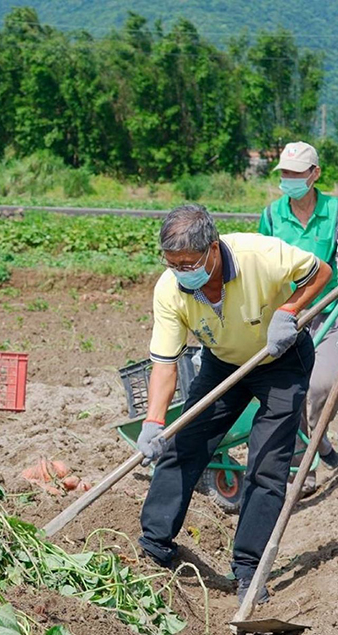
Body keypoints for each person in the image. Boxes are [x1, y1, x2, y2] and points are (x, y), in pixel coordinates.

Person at [137, 204, 331, 606]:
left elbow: (321, 273)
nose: (180, 270)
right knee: (182, 445)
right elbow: (165, 365)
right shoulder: (170, 289)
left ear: (212, 248)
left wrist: (288, 310)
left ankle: (249, 569)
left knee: (266, 465)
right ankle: (154, 545)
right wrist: (154, 422)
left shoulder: (261, 256)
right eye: (171, 262)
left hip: (281, 360)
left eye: (188, 262)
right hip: (222, 362)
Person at [259, 141, 338, 495]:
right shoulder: (273, 215)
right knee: (287, 392)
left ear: (314, 174)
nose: (288, 179)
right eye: (284, 173)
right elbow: (260, 264)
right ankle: (308, 465)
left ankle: (316, 444)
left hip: (330, 312)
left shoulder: (334, 211)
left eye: (295, 173)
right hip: (290, 313)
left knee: (318, 388)